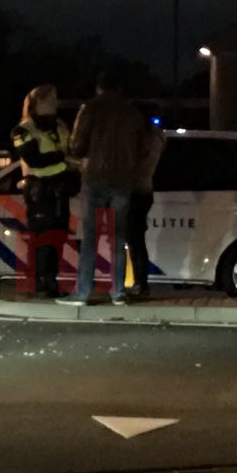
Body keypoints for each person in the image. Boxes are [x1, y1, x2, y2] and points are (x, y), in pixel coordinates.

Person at [58, 72, 151, 306]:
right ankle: (117, 291)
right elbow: (143, 149)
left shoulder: (89, 109)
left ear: (99, 88)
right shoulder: (133, 114)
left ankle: (82, 292)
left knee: (90, 237)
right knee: (118, 239)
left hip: (95, 178)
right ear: (120, 89)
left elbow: (77, 146)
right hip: (122, 180)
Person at [10, 85, 73, 298]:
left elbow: (71, 150)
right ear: (38, 103)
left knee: (58, 236)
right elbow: (34, 159)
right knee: (42, 237)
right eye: (51, 99)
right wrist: (63, 158)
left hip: (60, 188)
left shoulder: (60, 125)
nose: (56, 103)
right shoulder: (23, 130)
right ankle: (39, 282)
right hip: (39, 190)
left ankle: (51, 281)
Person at [127, 103, 166, 297]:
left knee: (134, 240)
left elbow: (132, 162)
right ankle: (140, 283)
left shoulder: (142, 138)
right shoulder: (158, 136)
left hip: (135, 190)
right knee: (137, 239)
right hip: (146, 189)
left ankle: (140, 283)